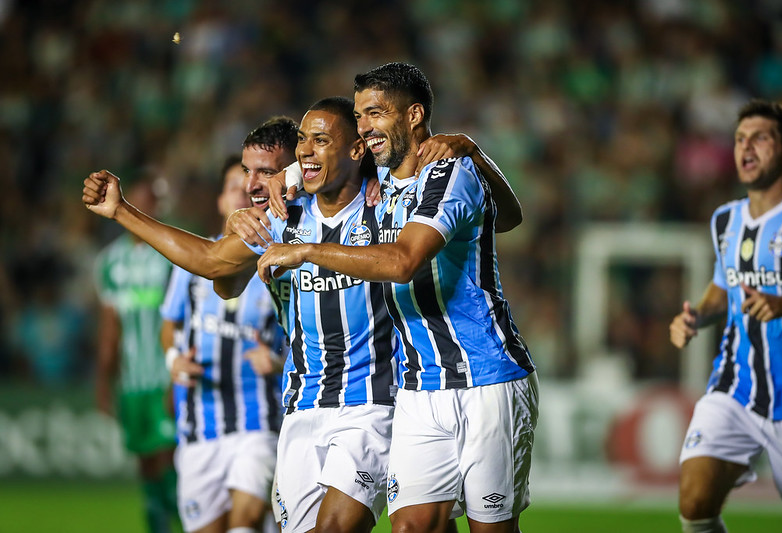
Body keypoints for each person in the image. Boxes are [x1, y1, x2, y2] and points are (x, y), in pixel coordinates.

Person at [256, 62, 538, 533]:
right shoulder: (383, 181)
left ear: (414, 116)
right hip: (418, 387)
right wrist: (273, 183)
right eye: (361, 116)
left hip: (487, 378)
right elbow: (323, 159)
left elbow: (404, 261)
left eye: (376, 113)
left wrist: (305, 250)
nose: (364, 126)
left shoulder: (449, 172)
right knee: (410, 528)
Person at [669, 99, 782, 533]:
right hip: (736, 387)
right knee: (695, 502)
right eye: (741, 138)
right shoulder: (726, 220)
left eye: (760, 138)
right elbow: (721, 292)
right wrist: (695, 316)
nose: (746, 147)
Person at [160, 154, 287, 533]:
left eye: (250, 188)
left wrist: (279, 360)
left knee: (246, 522)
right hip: (200, 424)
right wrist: (173, 360)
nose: (243, 195)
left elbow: (302, 333)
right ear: (221, 202)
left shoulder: (278, 260)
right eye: (234, 187)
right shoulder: (196, 262)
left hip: (259, 419)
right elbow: (169, 326)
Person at [93, 177, 179, 533]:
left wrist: (177, 375)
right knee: (146, 464)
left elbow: (182, 320)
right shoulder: (110, 263)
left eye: (151, 204)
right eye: (138, 203)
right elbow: (109, 329)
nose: (145, 211)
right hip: (132, 383)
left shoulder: (171, 255)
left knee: (169, 460)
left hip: (165, 379)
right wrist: (103, 381)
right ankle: (158, 525)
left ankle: (187, 521)